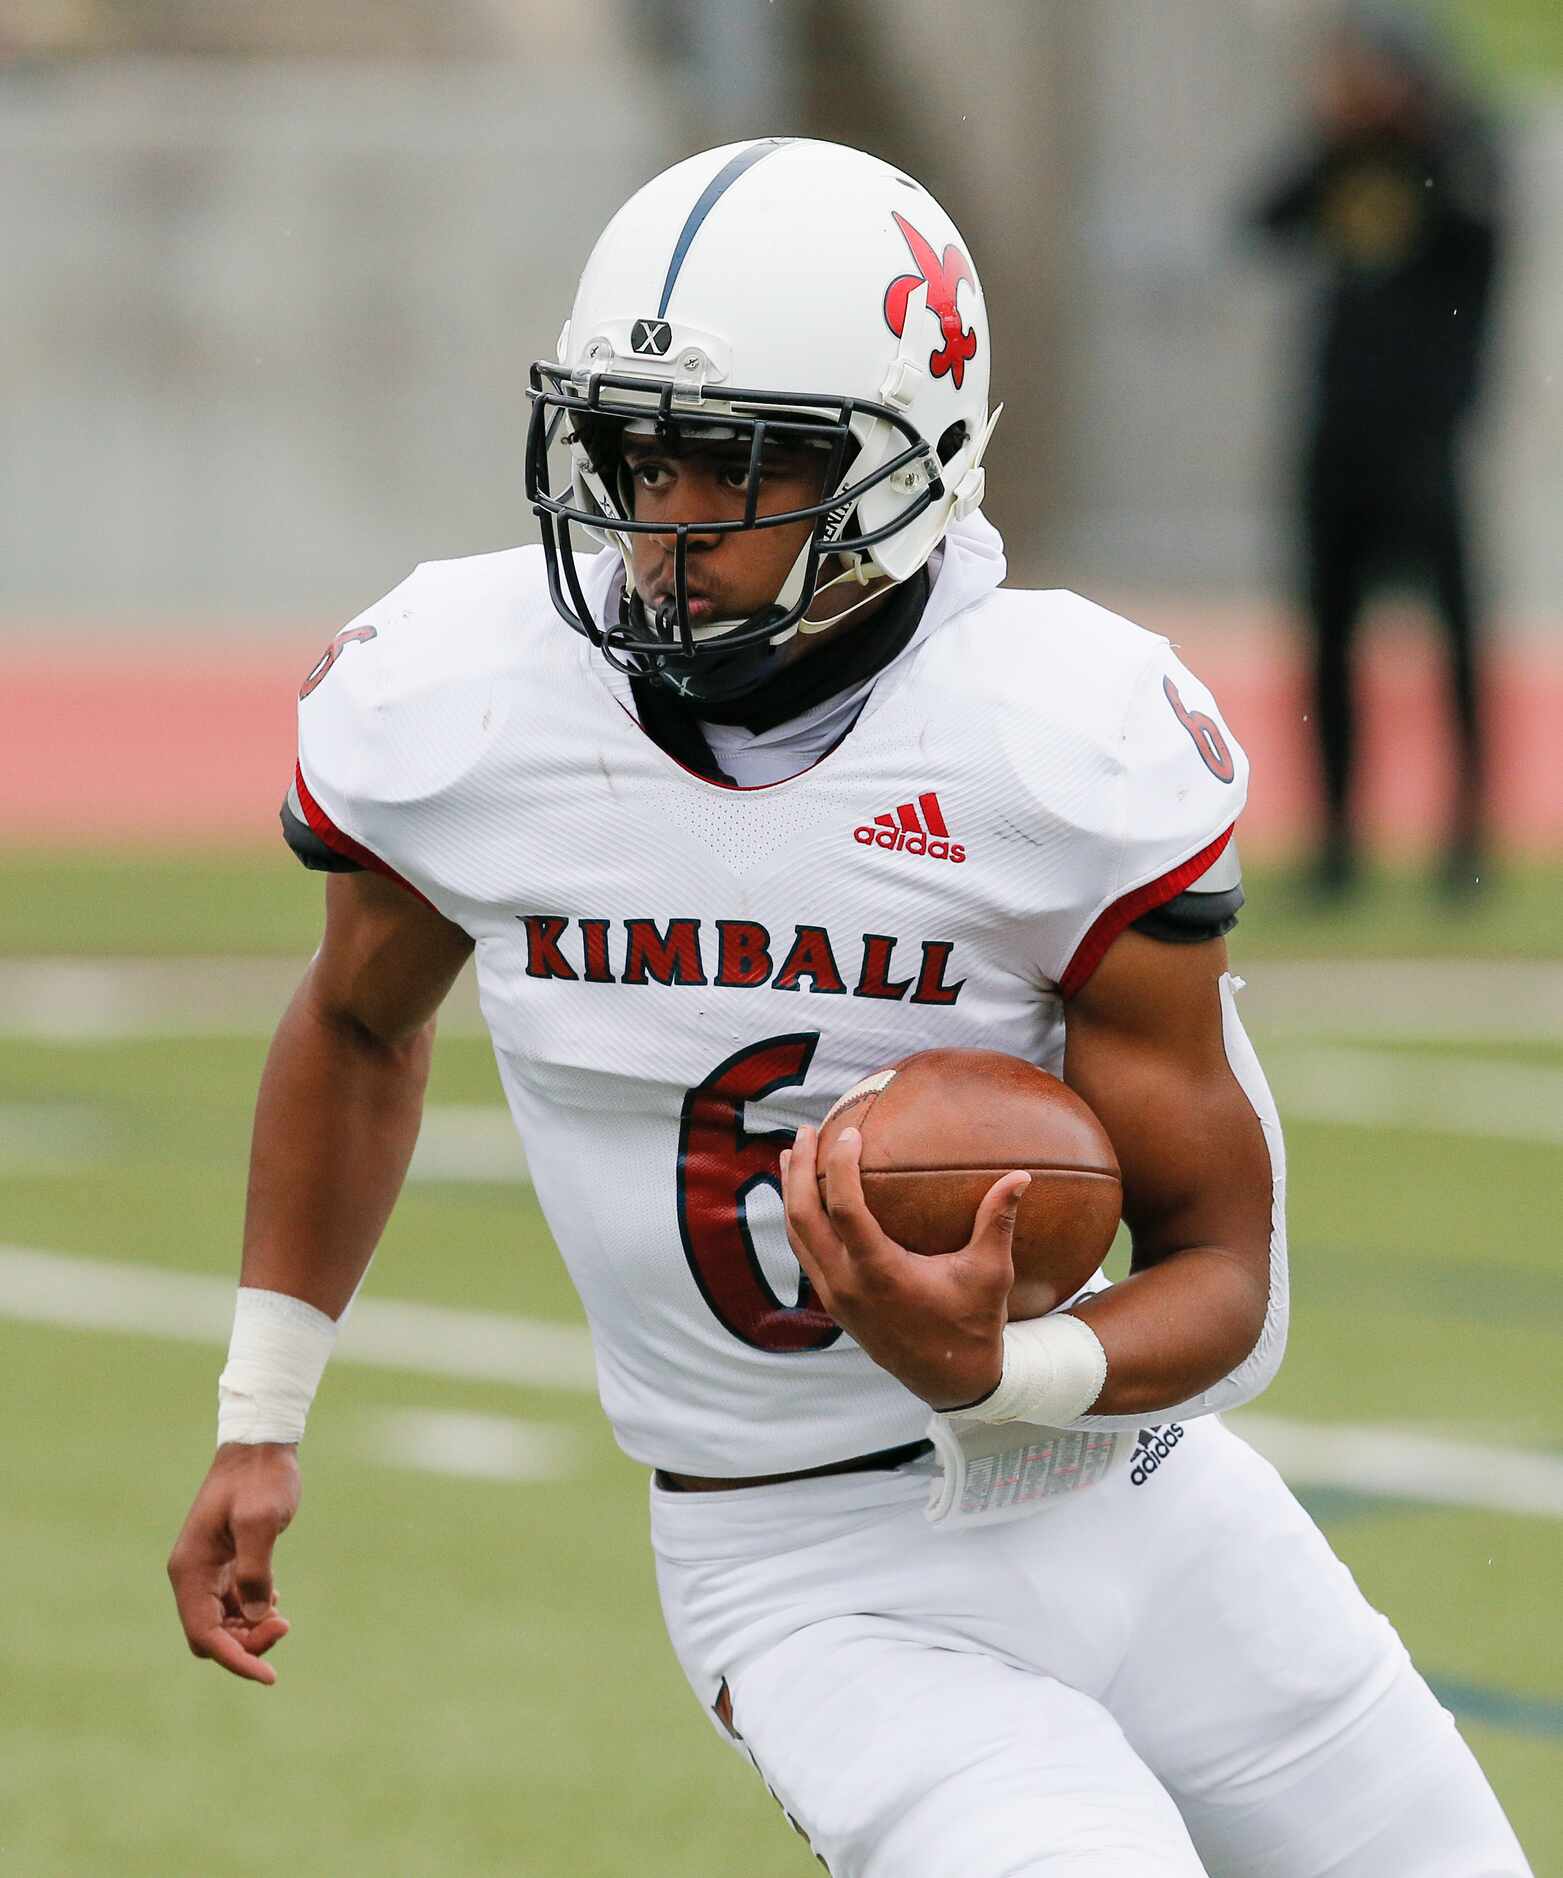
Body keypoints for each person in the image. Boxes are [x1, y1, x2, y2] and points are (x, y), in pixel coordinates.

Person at [168, 138, 1530, 1875]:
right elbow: (358, 1022)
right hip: (805, 1564)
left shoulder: (1046, 739)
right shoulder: (465, 701)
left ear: (919, 456)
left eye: (737, 465)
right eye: (632, 451)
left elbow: (1231, 1287)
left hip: (1138, 1503)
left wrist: (1008, 1360)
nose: (664, 524)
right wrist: (260, 1412)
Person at [1251, 3, 1504, 898]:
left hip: (1425, 440)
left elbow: (1479, 239)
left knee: (1454, 645)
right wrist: (1329, 139)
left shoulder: (1458, 152)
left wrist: (1411, 135)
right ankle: (1335, 844)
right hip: (1337, 434)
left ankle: (1466, 841)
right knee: (1327, 641)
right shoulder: (1337, 157)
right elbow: (1262, 221)